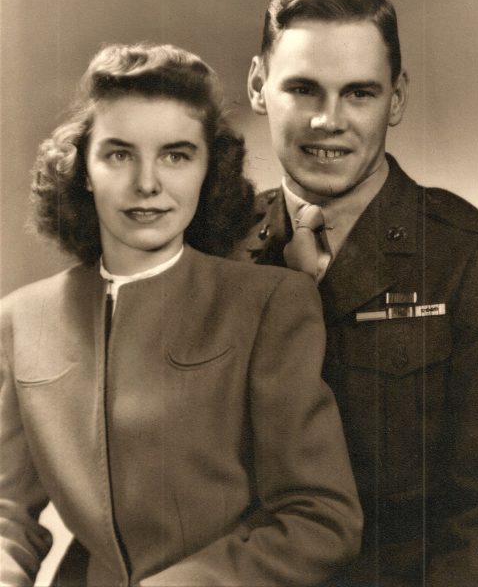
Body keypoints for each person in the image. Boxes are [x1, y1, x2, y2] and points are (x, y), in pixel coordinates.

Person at [0, 42, 363, 587]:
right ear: (82, 171)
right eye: (119, 154)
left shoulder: (270, 304)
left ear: (207, 171)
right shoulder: (20, 319)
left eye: (176, 155)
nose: (148, 183)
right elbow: (7, 512)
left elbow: (321, 519)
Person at [231, 0, 478, 586]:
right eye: (304, 89)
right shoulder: (210, 249)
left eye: (358, 94)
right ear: (259, 87)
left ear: (396, 99)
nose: (327, 121)